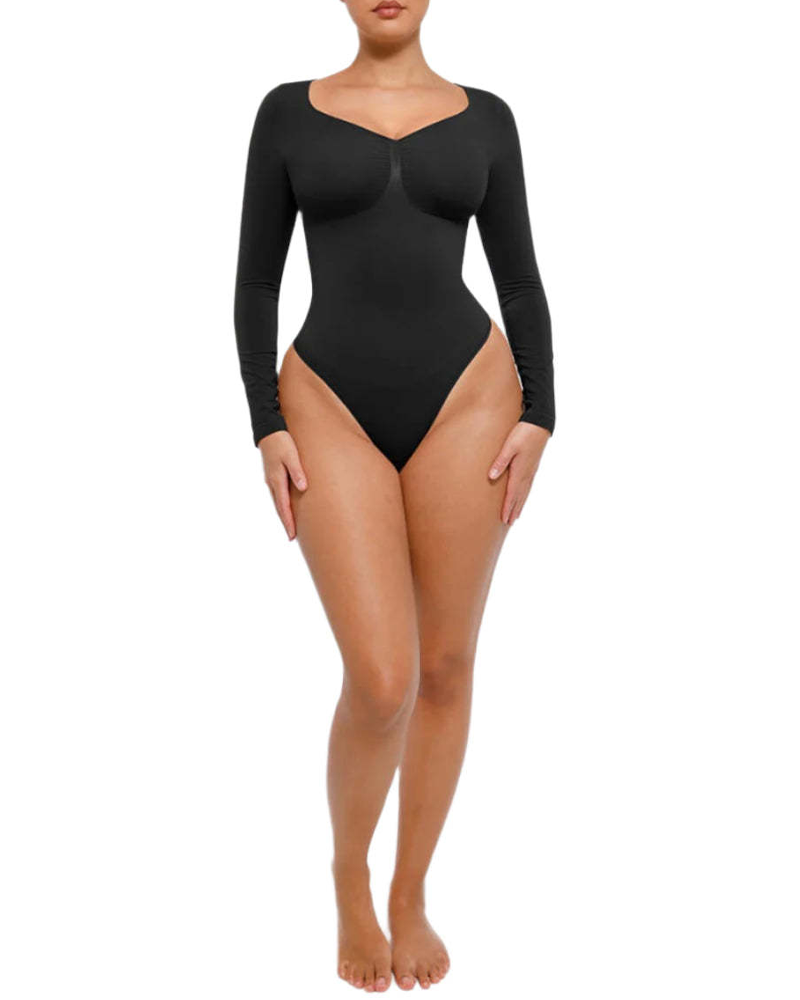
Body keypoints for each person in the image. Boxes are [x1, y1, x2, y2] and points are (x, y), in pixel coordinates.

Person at [233, 0, 555, 990]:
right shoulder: (286, 111)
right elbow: (255, 284)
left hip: (471, 399)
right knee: (381, 679)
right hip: (325, 402)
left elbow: (518, 280)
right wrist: (266, 422)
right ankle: (349, 873)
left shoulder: (486, 115)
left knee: (446, 665)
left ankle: (410, 890)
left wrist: (541, 412)